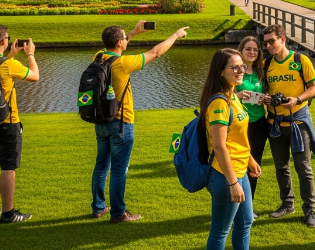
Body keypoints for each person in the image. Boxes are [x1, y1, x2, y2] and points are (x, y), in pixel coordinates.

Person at [91, 21, 189, 223]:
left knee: (101, 165)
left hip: (101, 121)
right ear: (119, 42)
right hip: (121, 123)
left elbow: (117, 44)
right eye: (125, 37)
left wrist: (134, 33)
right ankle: (118, 213)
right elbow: (155, 53)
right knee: (119, 169)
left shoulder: (99, 57)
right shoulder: (123, 63)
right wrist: (175, 35)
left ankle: (98, 207)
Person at [0, 26, 40, 223]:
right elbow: (34, 76)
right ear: (3, 41)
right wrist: (30, 55)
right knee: (8, 167)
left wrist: (10, 54)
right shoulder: (9, 66)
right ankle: (8, 213)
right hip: (7, 122)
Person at [261, 24, 315, 227]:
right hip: (275, 123)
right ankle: (287, 204)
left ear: (282, 39)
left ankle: (309, 210)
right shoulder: (266, 64)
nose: (268, 45)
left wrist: (297, 98)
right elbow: (263, 90)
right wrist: (266, 99)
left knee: (303, 168)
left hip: (297, 121)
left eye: (272, 41)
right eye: (266, 42)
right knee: (281, 167)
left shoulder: (299, 60)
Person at [201, 48, 260, 250]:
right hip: (226, 175)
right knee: (220, 231)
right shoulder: (220, 101)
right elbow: (219, 146)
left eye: (241, 66)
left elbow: (236, 138)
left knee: (245, 223)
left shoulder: (232, 94)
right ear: (220, 71)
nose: (240, 70)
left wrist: (250, 159)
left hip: (240, 169)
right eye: (233, 67)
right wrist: (233, 183)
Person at [236, 37, 269, 212]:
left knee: (253, 167)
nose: (252, 52)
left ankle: (248, 207)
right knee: (237, 166)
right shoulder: (233, 71)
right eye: (248, 49)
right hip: (238, 126)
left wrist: (266, 99)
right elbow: (220, 96)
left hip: (258, 125)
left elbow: (268, 93)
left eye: (255, 50)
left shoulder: (261, 72)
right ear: (241, 50)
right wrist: (239, 96)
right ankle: (235, 205)